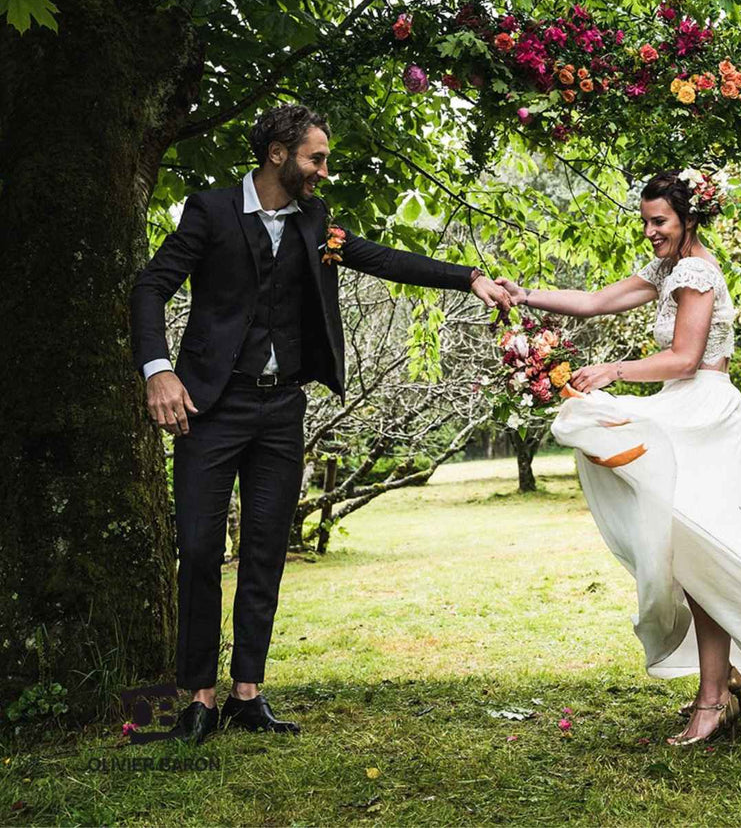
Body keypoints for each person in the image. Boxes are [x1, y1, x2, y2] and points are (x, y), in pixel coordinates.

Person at [130, 104, 511, 744]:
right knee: (197, 551)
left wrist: (470, 278)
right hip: (210, 406)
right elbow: (149, 287)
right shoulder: (211, 210)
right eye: (316, 158)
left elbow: (381, 258)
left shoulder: (314, 221)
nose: (324, 171)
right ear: (278, 154)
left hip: (282, 410)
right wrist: (156, 370)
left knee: (265, 550)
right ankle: (196, 698)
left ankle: (246, 695)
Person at [499, 169, 741, 746]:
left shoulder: (695, 272)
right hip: (684, 411)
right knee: (692, 556)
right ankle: (722, 686)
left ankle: (714, 700)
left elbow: (687, 358)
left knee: (704, 557)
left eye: (658, 221)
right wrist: (521, 293)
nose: (649, 231)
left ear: (688, 218)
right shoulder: (668, 269)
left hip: (706, 415)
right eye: (644, 221)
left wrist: (613, 371)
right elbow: (593, 302)